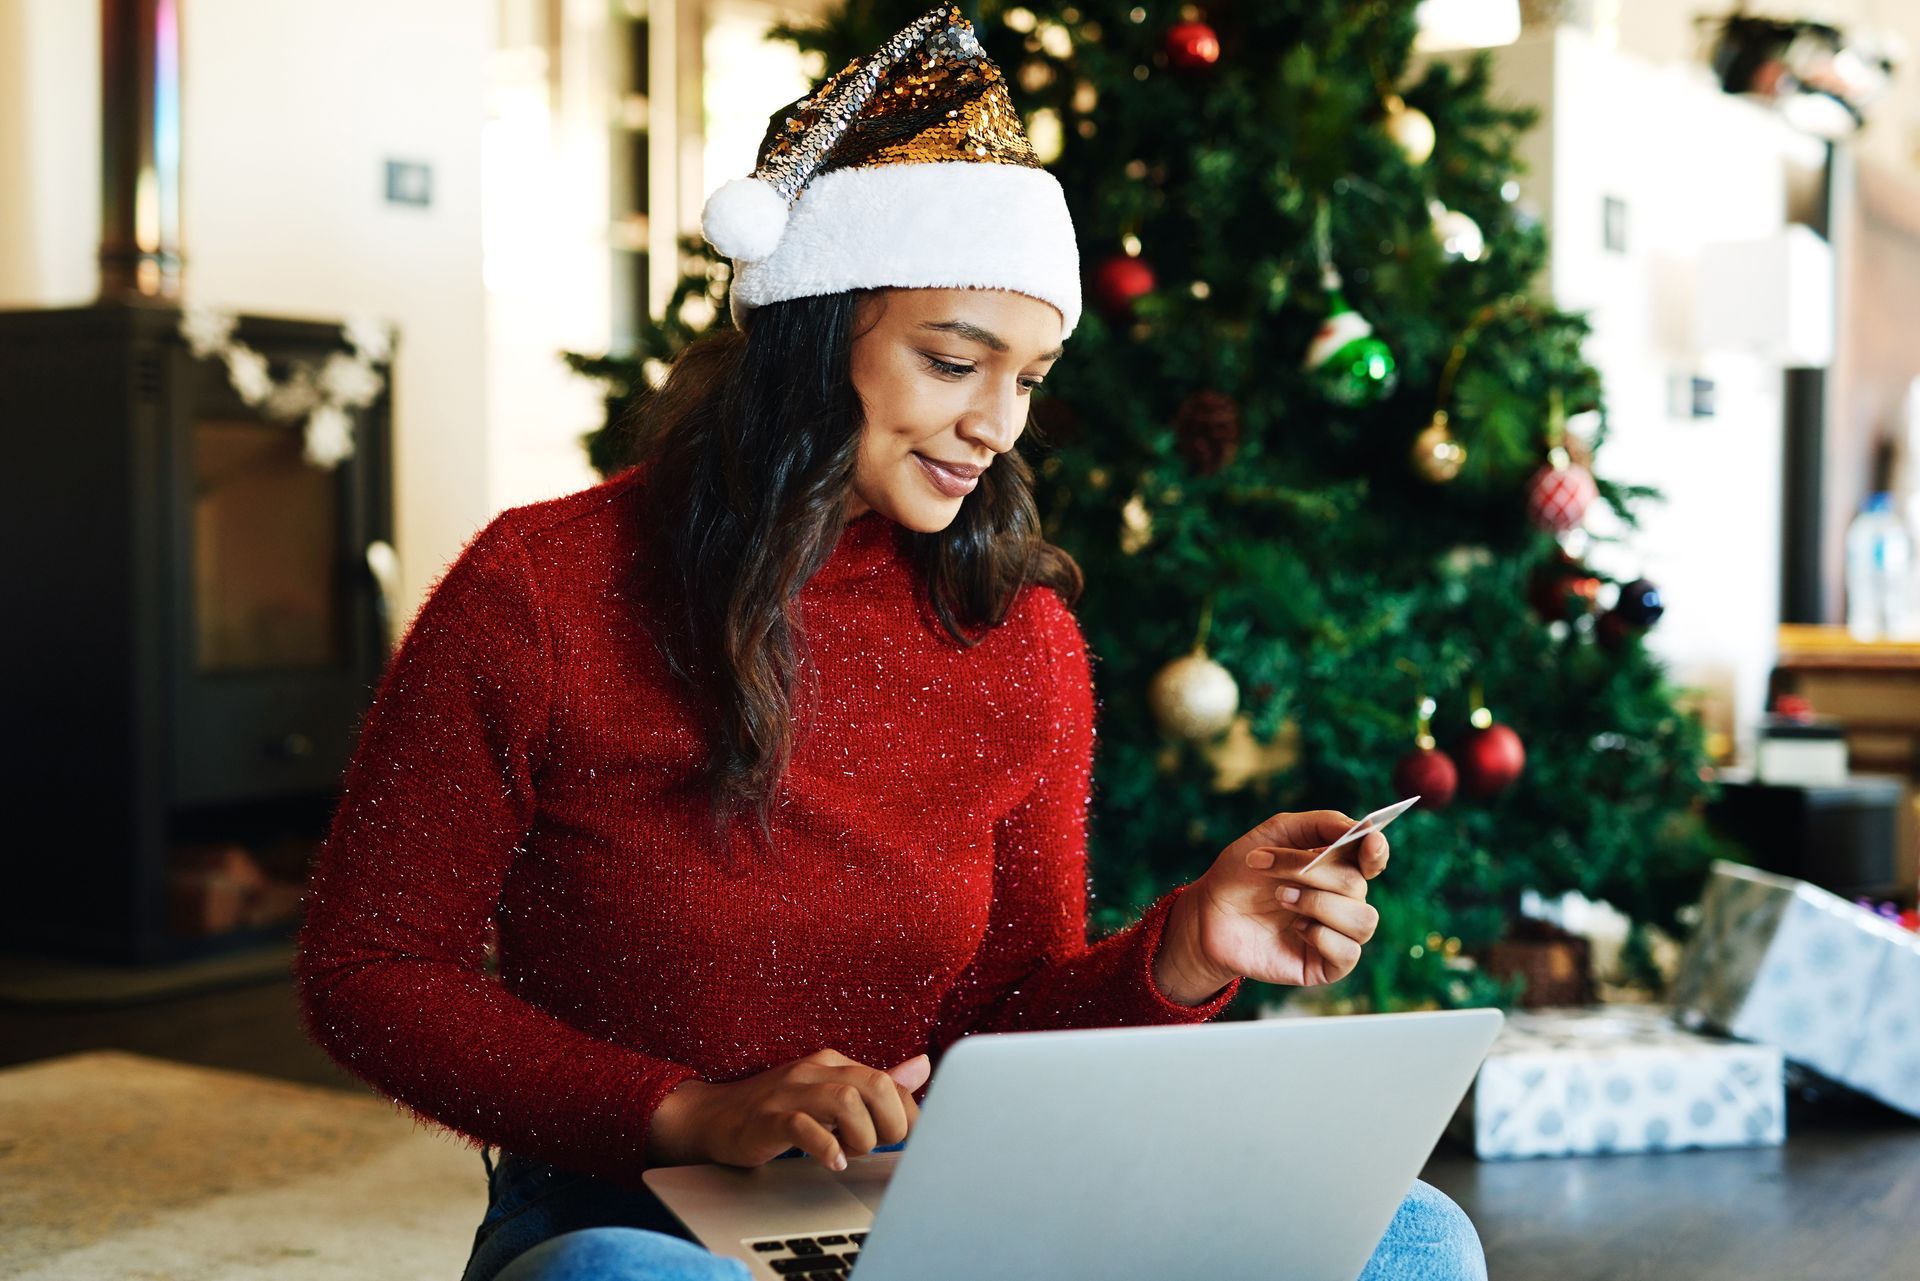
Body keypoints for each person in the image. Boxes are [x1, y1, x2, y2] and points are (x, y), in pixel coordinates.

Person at [292, 6, 1488, 1280]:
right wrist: (686, 1112)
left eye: (1028, 378)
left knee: (1417, 1237)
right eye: (953, 360)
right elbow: (369, 969)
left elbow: (1002, 1032)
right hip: (627, 1207)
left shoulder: (1021, 636)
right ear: (817, 332)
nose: (995, 426)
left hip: (936, 1207)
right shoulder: (544, 589)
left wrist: (1187, 948)